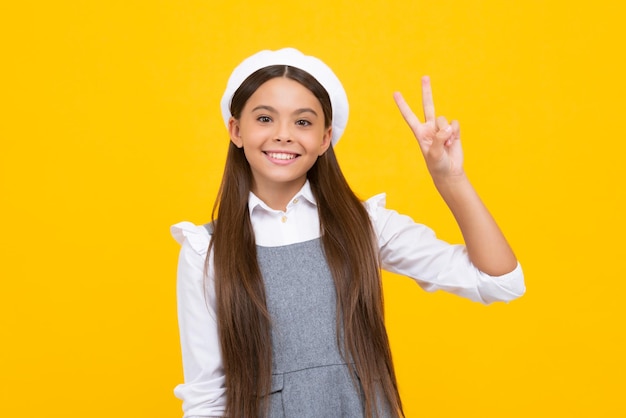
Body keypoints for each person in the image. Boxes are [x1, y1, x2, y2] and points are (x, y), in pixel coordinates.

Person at [171, 47, 525, 418]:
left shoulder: (364, 226)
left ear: (325, 139)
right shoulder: (204, 251)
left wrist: (450, 179)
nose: (284, 135)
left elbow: (501, 281)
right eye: (264, 118)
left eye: (303, 122)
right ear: (236, 130)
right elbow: (206, 399)